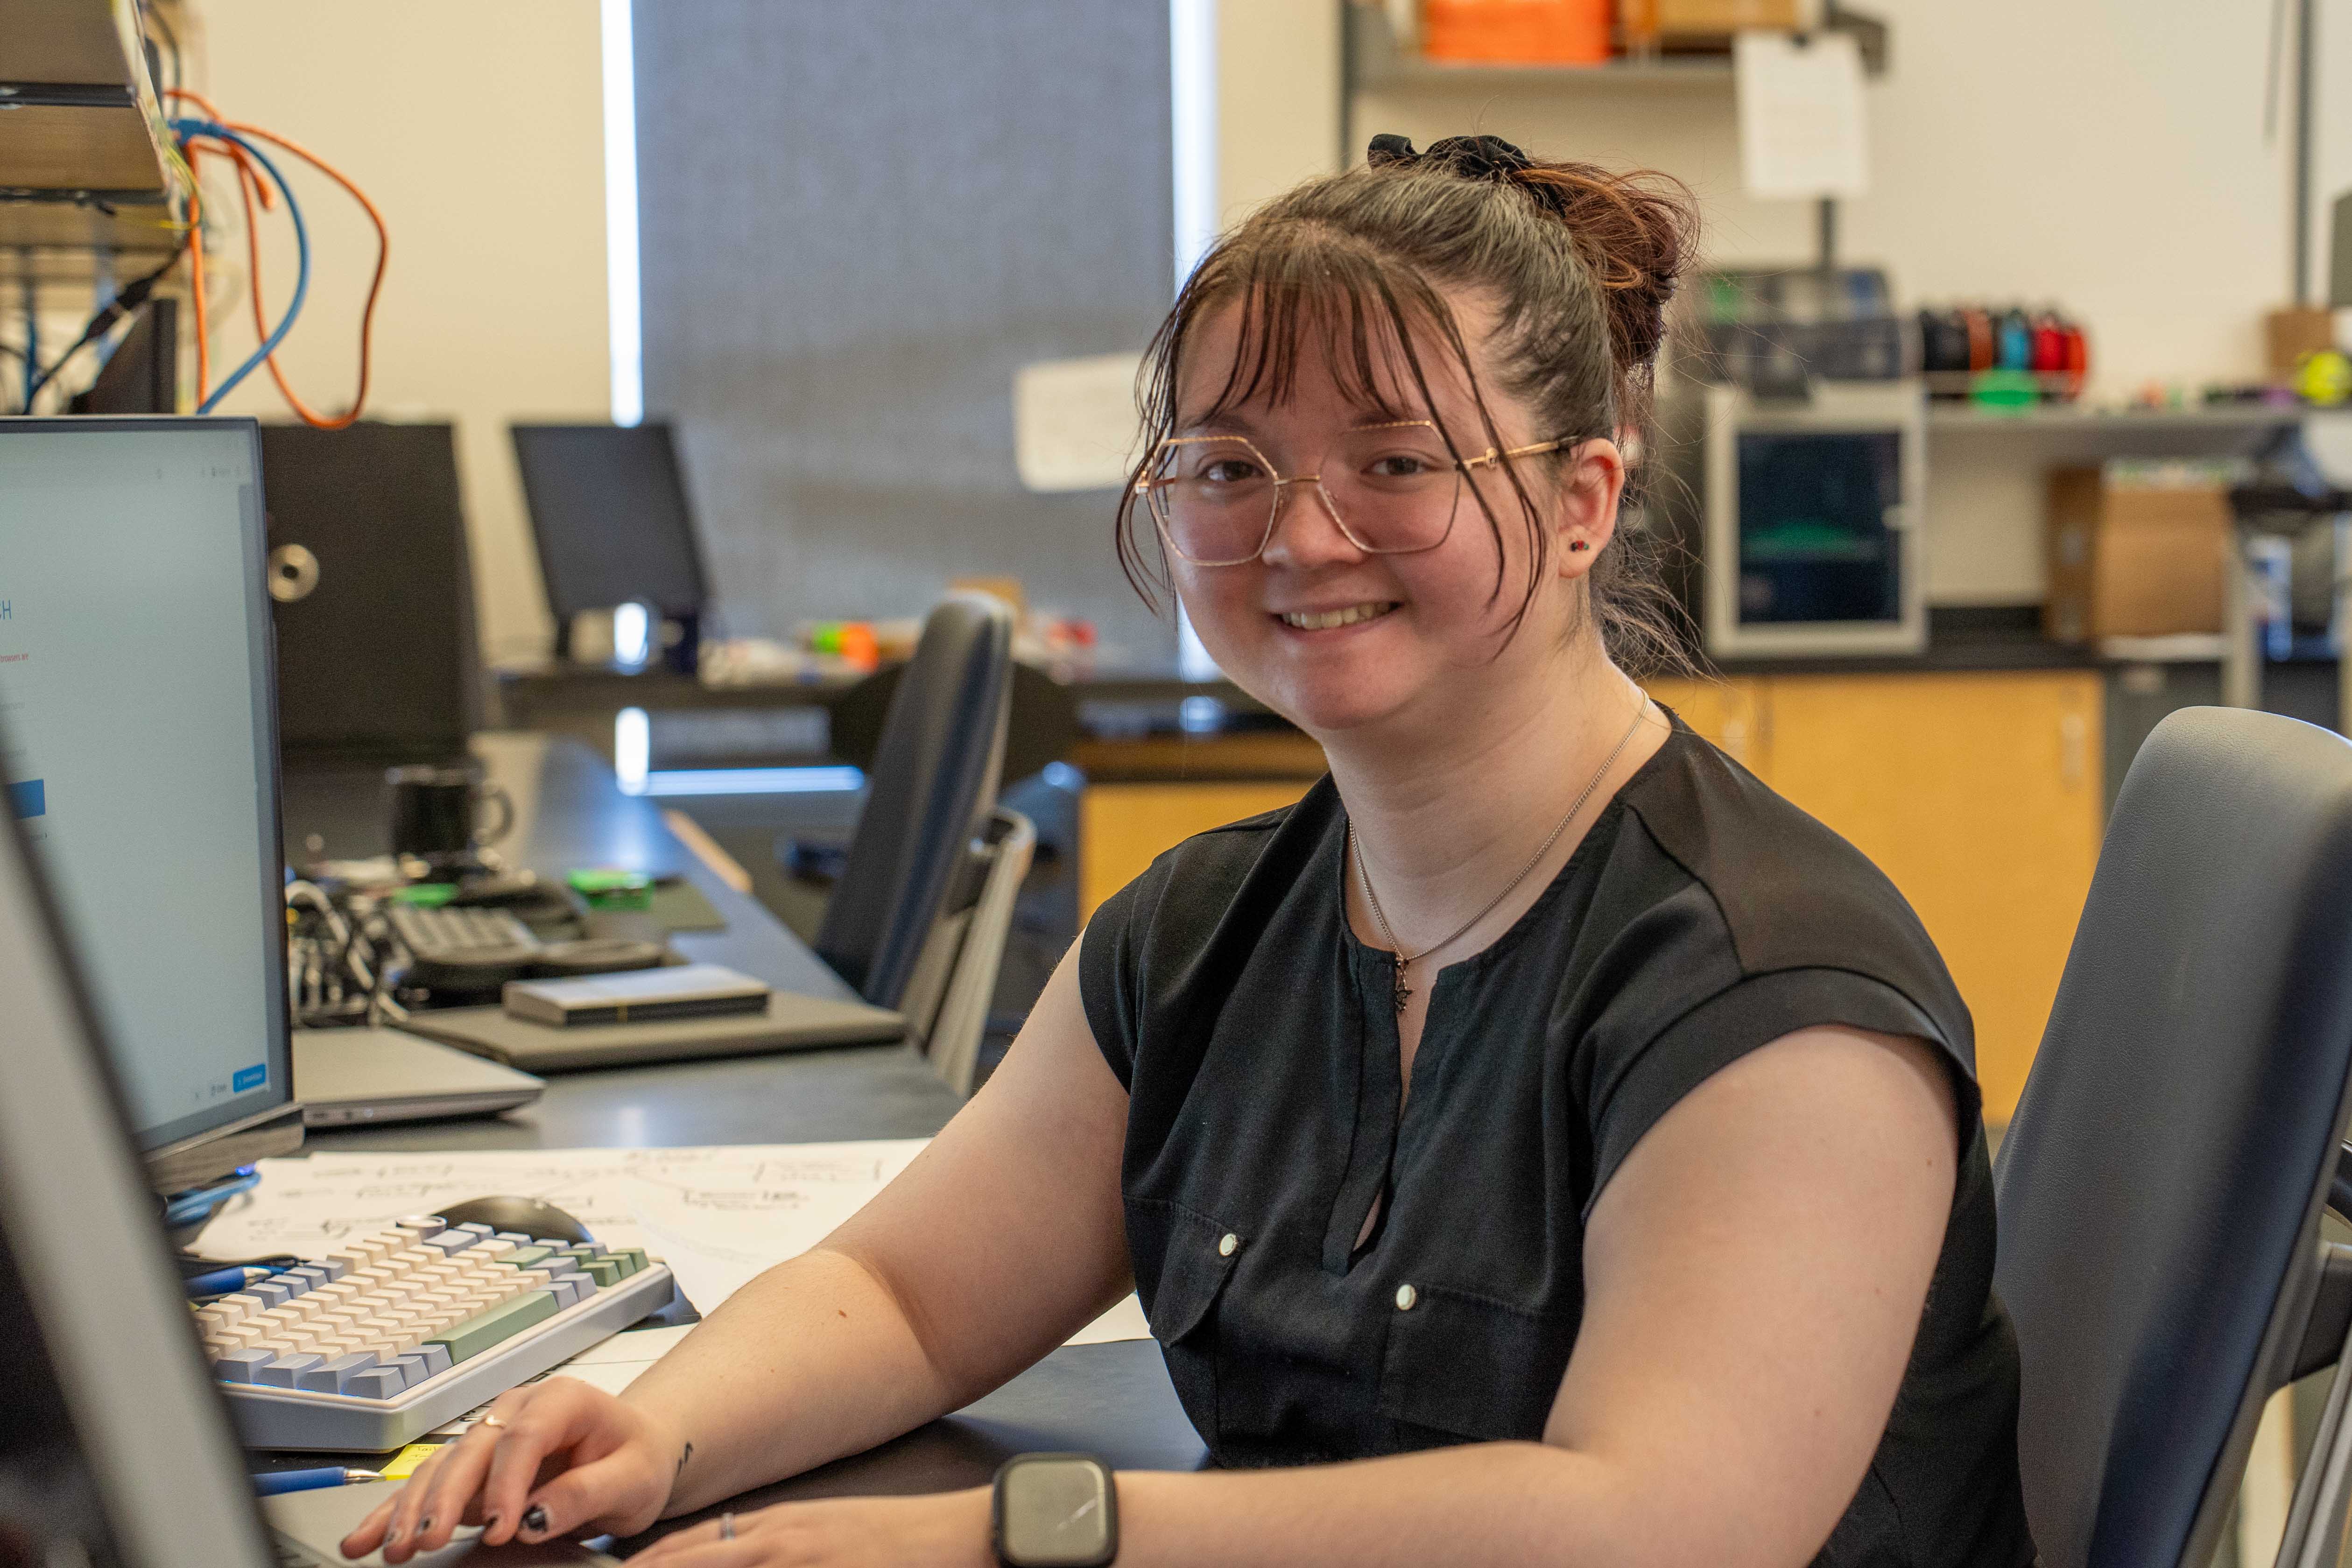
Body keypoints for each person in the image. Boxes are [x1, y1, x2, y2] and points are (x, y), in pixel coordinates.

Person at [345, 134, 2033, 1568]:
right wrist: (658, 1439)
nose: (1299, 535)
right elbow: (910, 1291)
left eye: (1397, 462)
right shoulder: (1205, 930)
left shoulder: (1770, 997)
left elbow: (1658, 1526)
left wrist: (1016, 1534)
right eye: (1229, 465)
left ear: (1586, 500)